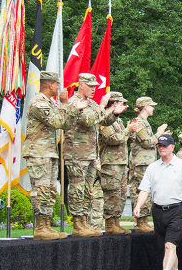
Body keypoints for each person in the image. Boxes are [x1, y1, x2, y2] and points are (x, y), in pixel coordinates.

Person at [64, 73, 126, 237]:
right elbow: (88, 120)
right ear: (81, 85)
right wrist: (103, 105)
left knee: (87, 190)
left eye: (94, 86)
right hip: (76, 153)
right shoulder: (74, 103)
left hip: (91, 154)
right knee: (78, 188)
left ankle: (84, 222)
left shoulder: (91, 104)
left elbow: (102, 121)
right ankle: (78, 224)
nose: (93, 89)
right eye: (90, 86)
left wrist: (114, 113)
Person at [22, 71, 82, 240]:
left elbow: (66, 123)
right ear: (50, 84)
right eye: (57, 84)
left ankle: (46, 225)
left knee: (49, 190)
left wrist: (65, 107)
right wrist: (64, 104)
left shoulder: (50, 103)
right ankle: (40, 227)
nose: (59, 88)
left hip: (48, 152)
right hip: (38, 152)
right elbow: (57, 122)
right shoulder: (38, 103)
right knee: (41, 189)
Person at [134, 133, 182, 270]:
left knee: (170, 245)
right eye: (159, 146)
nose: (161, 148)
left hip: (176, 209)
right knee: (168, 247)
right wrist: (138, 206)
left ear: (172, 147)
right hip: (158, 210)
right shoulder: (152, 167)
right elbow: (144, 189)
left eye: (164, 146)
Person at [98, 91, 137, 235]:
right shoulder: (104, 120)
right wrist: (128, 130)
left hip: (120, 163)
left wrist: (130, 131)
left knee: (120, 194)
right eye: (121, 103)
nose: (123, 105)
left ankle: (116, 222)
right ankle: (110, 224)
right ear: (114, 104)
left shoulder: (118, 121)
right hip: (110, 163)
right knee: (112, 194)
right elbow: (113, 139)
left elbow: (124, 139)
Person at [128, 97, 168, 233]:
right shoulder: (139, 123)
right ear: (145, 106)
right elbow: (146, 142)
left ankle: (143, 220)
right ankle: (140, 221)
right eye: (151, 106)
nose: (153, 108)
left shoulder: (144, 123)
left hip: (146, 162)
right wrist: (159, 133)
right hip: (141, 163)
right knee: (142, 190)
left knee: (147, 190)